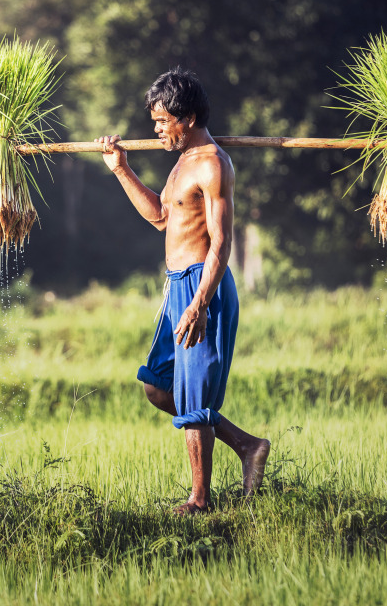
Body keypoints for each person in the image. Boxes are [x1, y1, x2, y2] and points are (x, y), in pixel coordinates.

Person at [95, 67, 270, 514]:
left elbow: (222, 242)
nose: (155, 130)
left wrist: (199, 302)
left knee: (194, 397)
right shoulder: (182, 162)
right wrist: (121, 170)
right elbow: (161, 217)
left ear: (187, 118)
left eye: (161, 121)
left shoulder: (212, 163)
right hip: (177, 287)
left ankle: (200, 500)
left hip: (201, 286)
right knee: (157, 386)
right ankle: (247, 446)